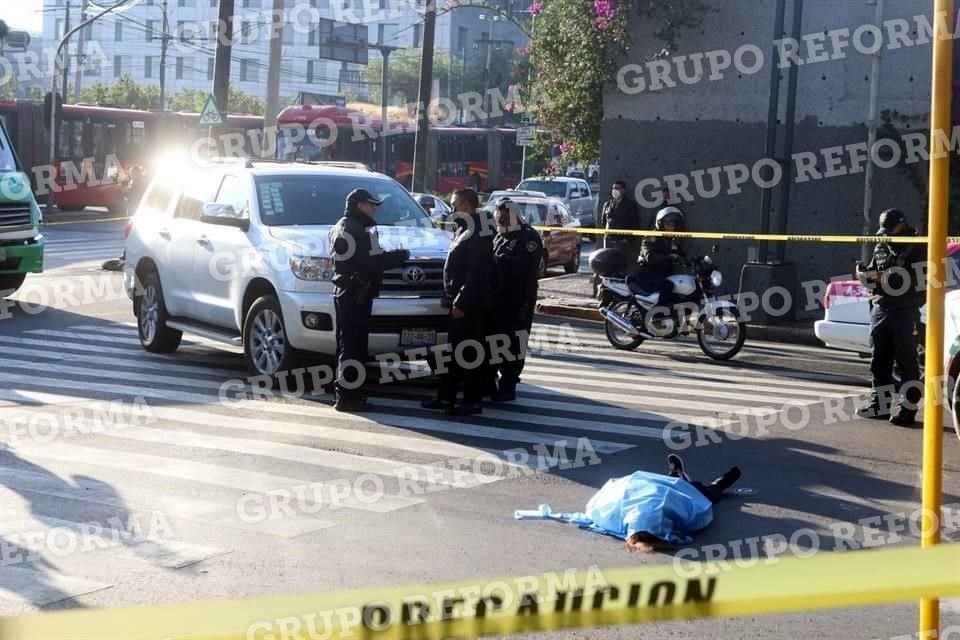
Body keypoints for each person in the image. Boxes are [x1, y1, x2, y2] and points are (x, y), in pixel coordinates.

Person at [515, 454, 742, 553]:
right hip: (647, 486)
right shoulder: (609, 514)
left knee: (700, 493)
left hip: (648, 488)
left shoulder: (610, 515)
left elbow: (698, 513)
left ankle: (694, 479)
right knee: (699, 492)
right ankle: (697, 480)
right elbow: (696, 515)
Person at [328, 188, 410, 412]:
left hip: (351, 293)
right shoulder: (355, 229)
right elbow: (373, 262)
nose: (374, 209)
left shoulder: (346, 226)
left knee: (349, 345)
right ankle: (348, 397)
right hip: (355, 293)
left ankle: (348, 393)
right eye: (371, 205)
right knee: (353, 347)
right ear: (359, 206)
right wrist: (400, 256)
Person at [422, 188, 494, 416]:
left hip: (470, 306)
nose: (452, 210)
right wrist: (449, 296)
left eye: (454, 205)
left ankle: (471, 401)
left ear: (466, 205)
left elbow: (477, 273)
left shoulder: (478, 232)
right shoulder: (464, 229)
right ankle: (446, 397)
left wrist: (461, 303)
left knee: (469, 354)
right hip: (457, 300)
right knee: (451, 354)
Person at [856, 208, 926, 427]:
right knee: (879, 361)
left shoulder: (919, 247)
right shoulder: (882, 246)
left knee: (907, 362)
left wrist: (882, 278)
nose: (887, 234)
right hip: (881, 309)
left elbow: (916, 282)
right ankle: (880, 405)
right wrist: (864, 275)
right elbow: (873, 272)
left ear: (902, 224)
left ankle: (907, 409)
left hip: (905, 310)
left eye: (891, 230)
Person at [490, 198, 543, 402]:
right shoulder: (500, 236)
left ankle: (509, 384)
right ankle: (492, 380)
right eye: (498, 218)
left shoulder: (528, 238)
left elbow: (524, 268)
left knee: (514, 343)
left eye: (504, 218)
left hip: (519, 299)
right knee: (495, 340)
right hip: (498, 299)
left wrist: (497, 261)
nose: (500, 222)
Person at [630, 206, 686, 306]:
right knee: (668, 286)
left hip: (662, 275)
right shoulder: (650, 238)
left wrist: (695, 261)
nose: (671, 228)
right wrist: (668, 257)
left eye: (673, 225)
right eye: (668, 224)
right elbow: (650, 257)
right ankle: (658, 314)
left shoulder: (672, 241)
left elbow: (681, 254)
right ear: (661, 224)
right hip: (647, 276)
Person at [600, 180, 641, 261]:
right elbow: (603, 222)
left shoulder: (629, 205)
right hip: (609, 239)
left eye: (617, 188)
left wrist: (628, 239)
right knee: (608, 261)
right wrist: (605, 235)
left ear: (623, 190)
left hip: (622, 240)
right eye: (613, 188)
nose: (614, 190)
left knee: (619, 261)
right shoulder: (607, 205)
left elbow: (634, 223)